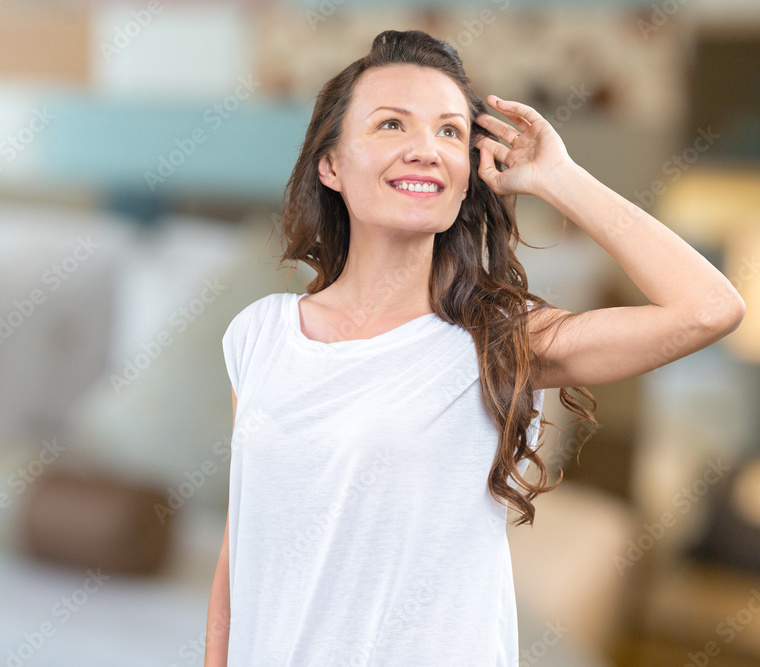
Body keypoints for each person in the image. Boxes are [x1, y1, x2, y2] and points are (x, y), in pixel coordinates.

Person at [204, 29, 745, 666]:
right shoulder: (258, 333)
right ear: (330, 165)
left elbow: (711, 308)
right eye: (390, 125)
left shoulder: (502, 340)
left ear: (468, 177)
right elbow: (244, 547)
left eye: (450, 132)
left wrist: (560, 178)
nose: (425, 150)